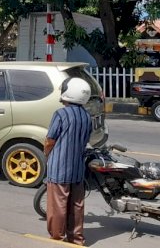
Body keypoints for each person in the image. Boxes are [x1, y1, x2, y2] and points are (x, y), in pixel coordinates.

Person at [44, 77, 92, 246]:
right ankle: (77, 238)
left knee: (58, 205)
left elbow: (50, 140)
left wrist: (46, 154)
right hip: (77, 168)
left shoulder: (60, 114)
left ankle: (57, 238)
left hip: (59, 168)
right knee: (76, 205)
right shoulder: (87, 116)